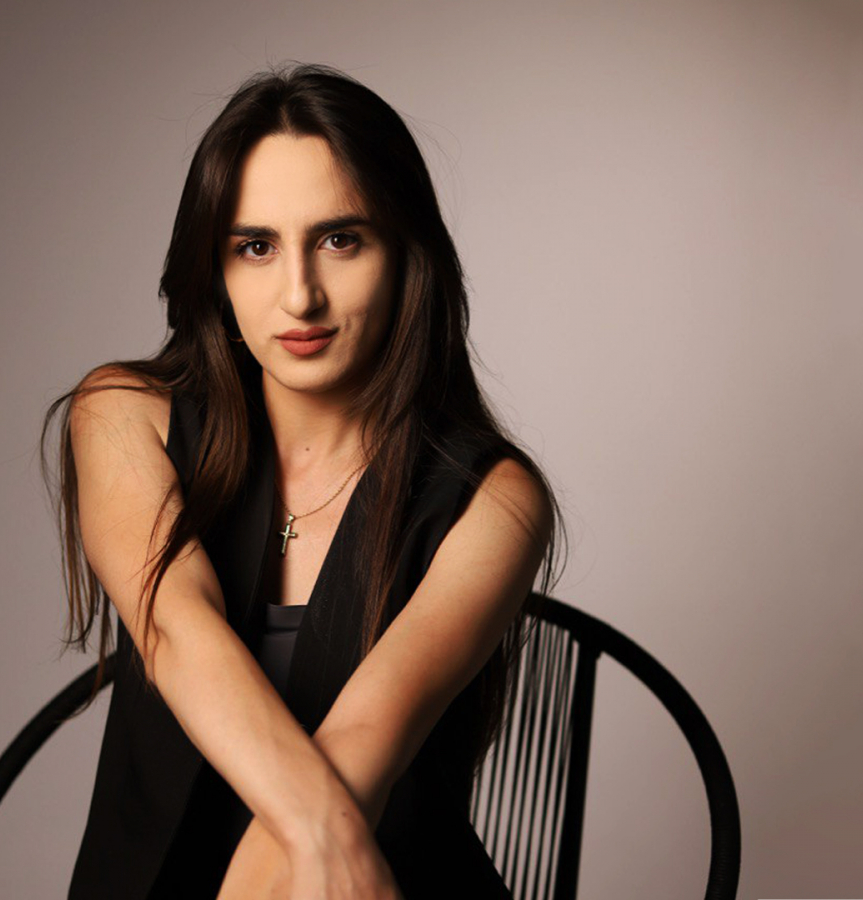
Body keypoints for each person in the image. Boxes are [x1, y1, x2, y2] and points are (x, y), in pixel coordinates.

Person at [40, 62, 566, 900]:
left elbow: (363, 741)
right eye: (256, 246)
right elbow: (178, 630)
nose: (299, 296)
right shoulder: (123, 415)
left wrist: (321, 840)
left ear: (406, 255)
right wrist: (323, 834)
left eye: (340, 239)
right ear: (215, 269)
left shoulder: (494, 499)